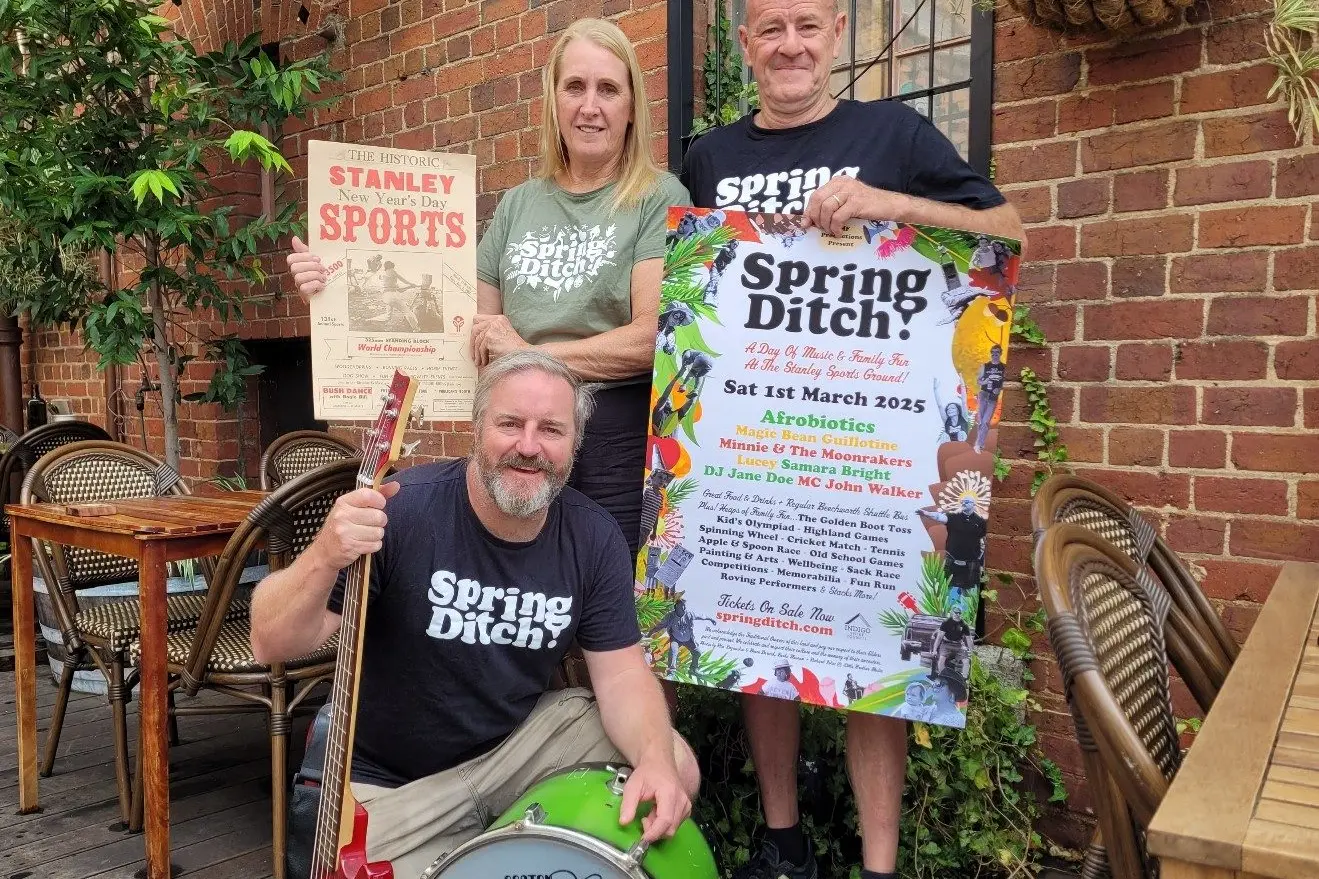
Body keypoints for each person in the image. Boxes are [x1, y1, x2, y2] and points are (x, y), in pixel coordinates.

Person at [678, 2, 1025, 878]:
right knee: (755, 633)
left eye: (806, 26)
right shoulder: (708, 160)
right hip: (755, 441)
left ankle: (876, 865)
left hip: (873, 447)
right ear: (745, 44)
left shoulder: (895, 133)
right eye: (769, 29)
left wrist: (885, 204)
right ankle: (784, 844)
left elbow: (1010, 231)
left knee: (877, 648)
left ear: (836, 33)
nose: (788, 45)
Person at [249, 350, 699, 879]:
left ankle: (508, 844)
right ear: (476, 427)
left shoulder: (592, 535)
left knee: (675, 767)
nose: (529, 446)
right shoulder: (403, 511)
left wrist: (654, 760)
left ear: (575, 444)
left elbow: (621, 672)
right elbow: (270, 641)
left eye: (551, 429)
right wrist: (325, 553)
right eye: (510, 424)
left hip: (515, 751)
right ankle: (487, 850)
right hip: (398, 783)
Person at [286, 18, 691, 557]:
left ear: (632, 105)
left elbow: (651, 341)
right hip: (515, 446)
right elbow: (456, 321)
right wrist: (335, 282)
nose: (590, 106)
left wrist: (530, 356)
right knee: (517, 603)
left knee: (602, 607)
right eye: (574, 87)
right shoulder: (520, 204)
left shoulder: (659, 196)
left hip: (613, 444)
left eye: (608, 89)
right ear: (553, 100)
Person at [917, 496, 988, 606]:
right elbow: (940, 517)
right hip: (952, 561)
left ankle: (965, 618)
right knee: (950, 592)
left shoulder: (980, 522)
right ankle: (951, 615)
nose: (964, 503)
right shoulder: (954, 518)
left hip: (971, 563)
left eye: (967, 502)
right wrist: (927, 514)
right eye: (963, 502)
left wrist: (981, 559)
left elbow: (986, 540)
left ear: (973, 505)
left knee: (969, 595)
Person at [931, 606, 974, 680]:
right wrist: (934, 650)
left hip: (959, 645)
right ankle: (943, 676)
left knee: (966, 661)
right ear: (952, 612)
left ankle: (964, 679)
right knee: (941, 660)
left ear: (961, 614)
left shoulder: (964, 625)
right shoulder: (946, 622)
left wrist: (972, 652)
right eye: (955, 612)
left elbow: (969, 639)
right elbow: (939, 637)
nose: (957, 614)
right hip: (946, 644)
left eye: (959, 613)